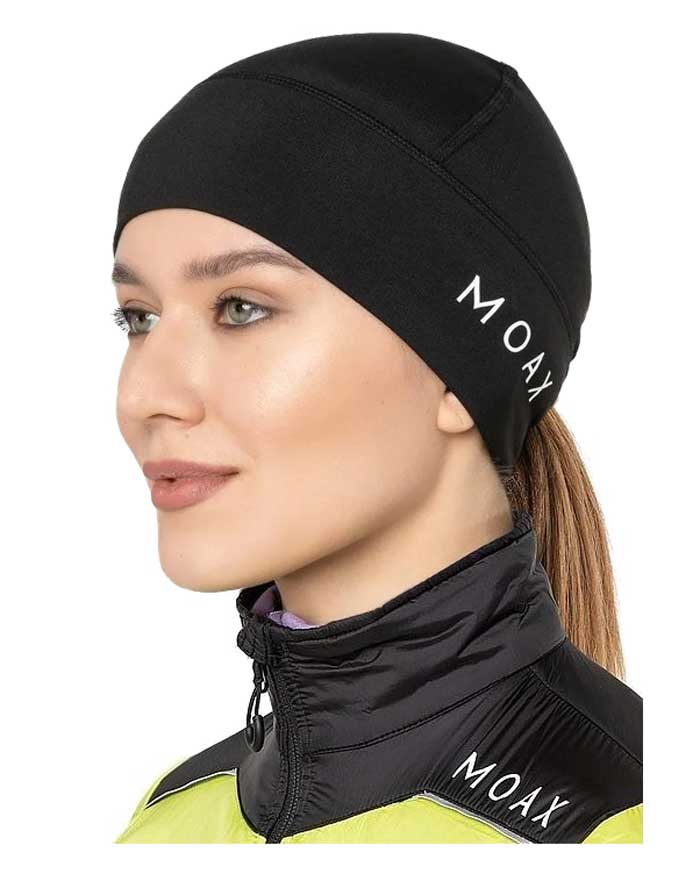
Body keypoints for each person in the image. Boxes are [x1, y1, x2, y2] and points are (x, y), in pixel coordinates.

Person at [111, 32, 642, 844]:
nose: (143, 395)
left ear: (458, 372)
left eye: (242, 308)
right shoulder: (169, 818)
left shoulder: (630, 824)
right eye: (139, 318)